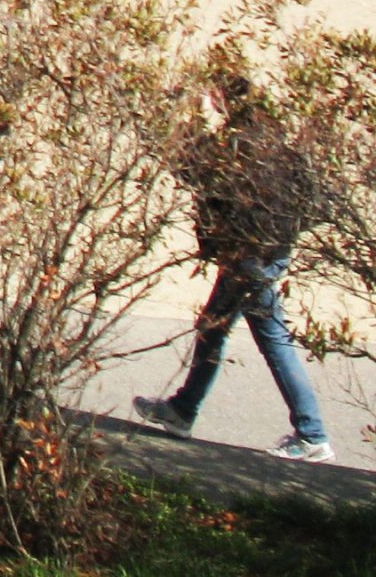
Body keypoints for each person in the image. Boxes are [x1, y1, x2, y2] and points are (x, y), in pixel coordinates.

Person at [134, 71, 334, 463]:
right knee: (213, 326)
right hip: (266, 251)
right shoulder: (273, 139)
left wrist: (197, 128)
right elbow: (313, 198)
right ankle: (183, 409)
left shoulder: (237, 145)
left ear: (221, 100)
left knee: (270, 335)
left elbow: (192, 171)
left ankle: (312, 433)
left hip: (249, 255)